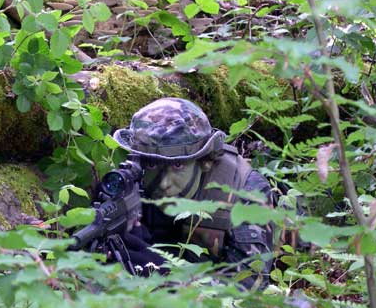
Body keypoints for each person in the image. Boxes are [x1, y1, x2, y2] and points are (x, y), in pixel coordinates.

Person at [112, 98, 275, 289]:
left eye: (177, 165)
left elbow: (249, 288)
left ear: (205, 161)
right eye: (152, 164)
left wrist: (166, 277)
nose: (163, 183)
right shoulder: (133, 179)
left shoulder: (245, 193)